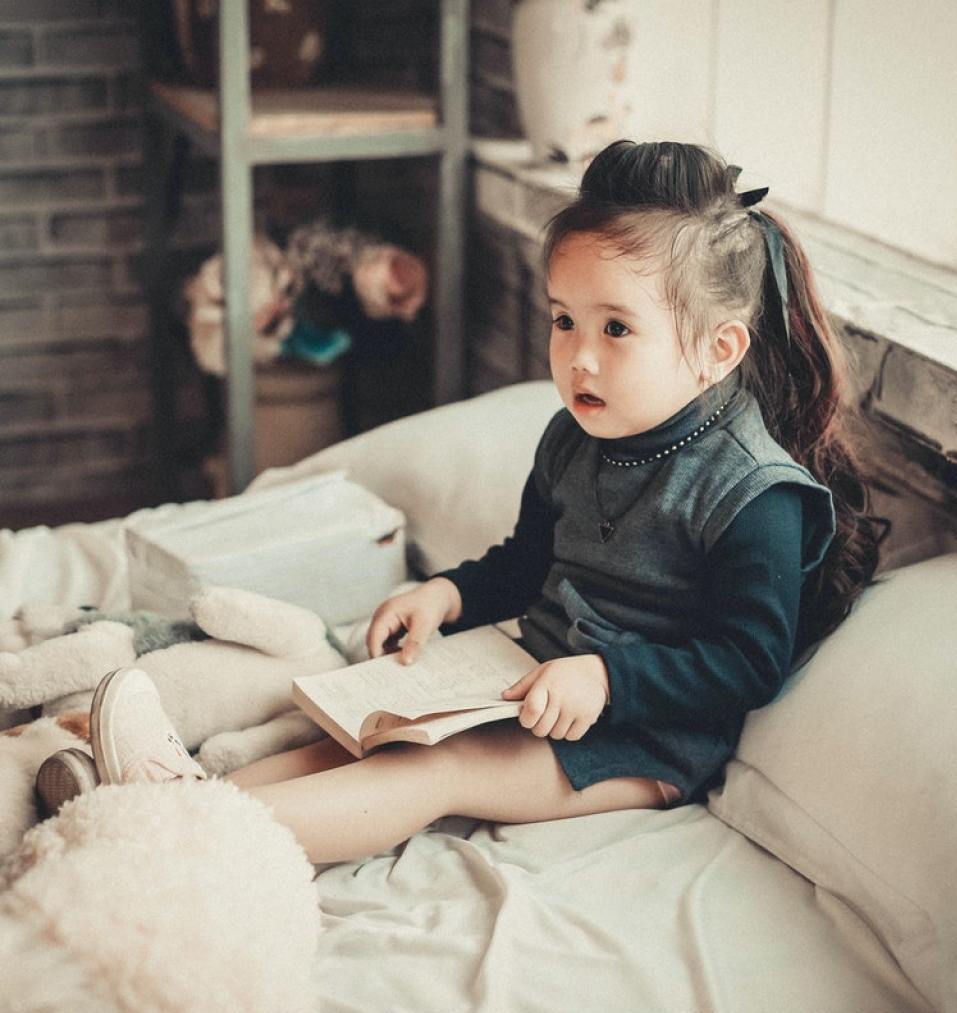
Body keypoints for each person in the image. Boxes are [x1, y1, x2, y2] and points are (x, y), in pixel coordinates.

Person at [36, 140, 887, 867]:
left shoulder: (755, 495)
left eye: (616, 329)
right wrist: (446, 595)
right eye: (563, 320)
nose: (579, 358)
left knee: (429, 771)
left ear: (718, 350)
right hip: (526, 681)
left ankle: (174, 840)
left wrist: (608, 679)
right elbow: (527, 563)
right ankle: (165, 799)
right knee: (355, 735)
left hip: (645, 739)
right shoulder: (572, 439)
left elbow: (747, 661)